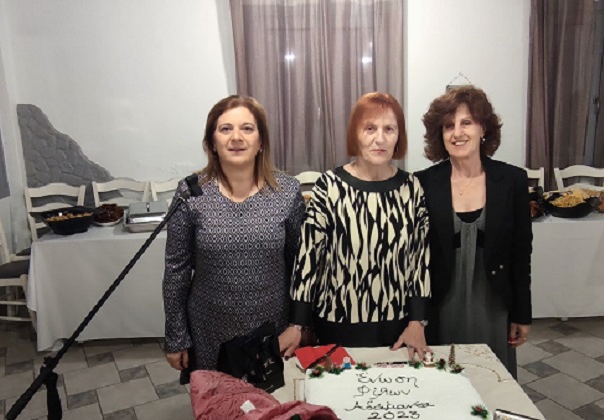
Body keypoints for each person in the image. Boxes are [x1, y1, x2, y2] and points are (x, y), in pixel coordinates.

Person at [163, 95, 306, 374]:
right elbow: (176, 270)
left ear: (261, 141)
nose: (236, 137)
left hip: (273, 331)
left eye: (247, 129)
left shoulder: (287, 192)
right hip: (209, 331)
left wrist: (298, 325)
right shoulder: (190, 193)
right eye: (225, 129)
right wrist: (176, 337)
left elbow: (300, 266)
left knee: (270, 400)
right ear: (211, 142)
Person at [288, 92, 432, 360]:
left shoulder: (411, 188)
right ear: (355, 133)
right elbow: (308, 258)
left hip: (398, 326)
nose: (380, 138)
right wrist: (298, 323)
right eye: (370, 128)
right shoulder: (329, 186)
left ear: (399, 136)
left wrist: (417, 321)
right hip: (336, 322)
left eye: (389, 129)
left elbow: (419, 259)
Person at [415, 86, 532, 377]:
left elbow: (521, 254)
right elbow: (414, 259)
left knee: (492, 381)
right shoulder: (423, 183)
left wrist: (522, 313)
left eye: (466, 122)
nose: (457, 133)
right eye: (448, 126)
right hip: (441, 305)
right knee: (445, 382)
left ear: (483, 129)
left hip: (493, 306)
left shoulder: (512, 180)